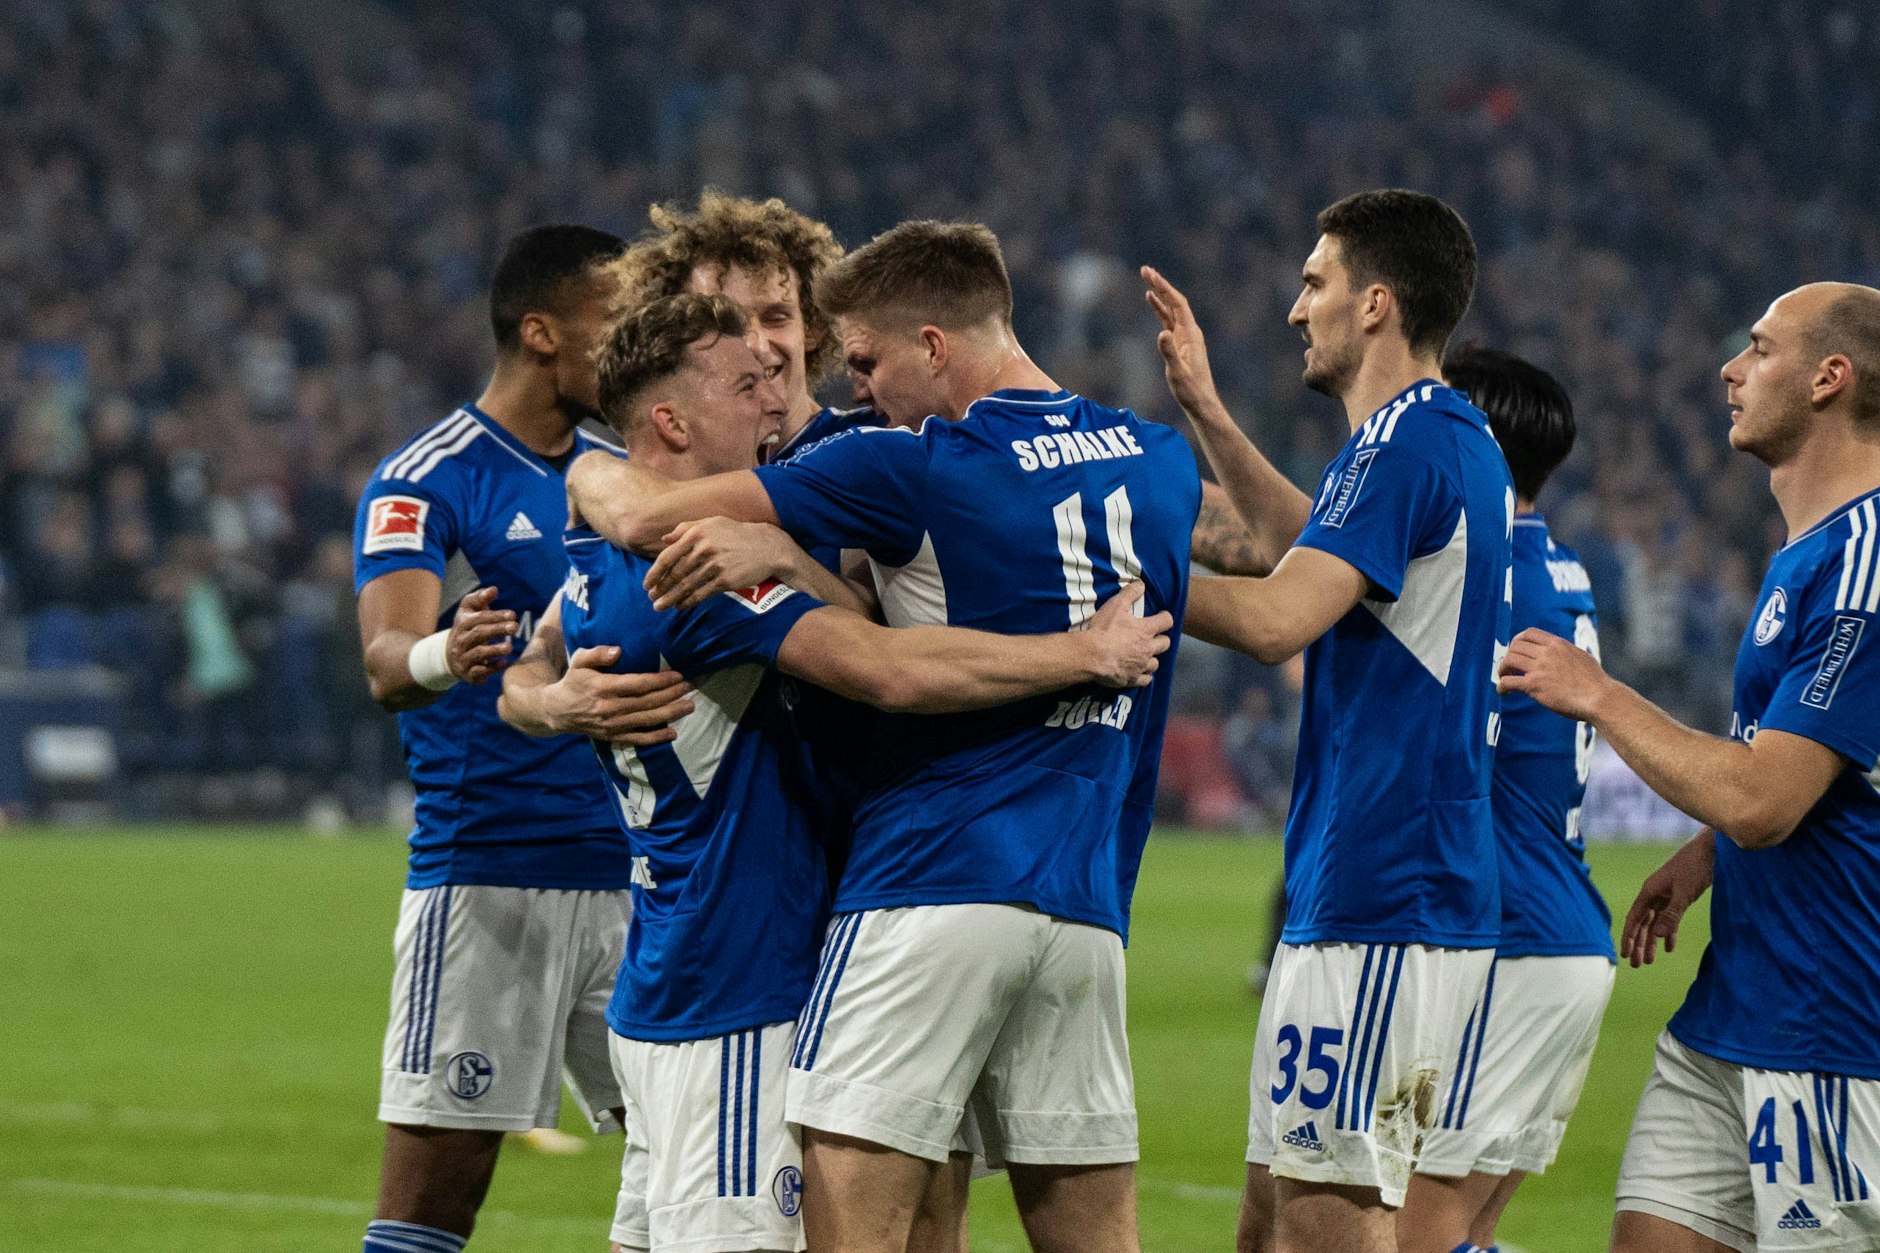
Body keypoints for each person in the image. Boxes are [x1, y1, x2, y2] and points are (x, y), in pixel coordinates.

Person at [565, 219, 1201, 1253]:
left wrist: (589, 471)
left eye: (838, 351)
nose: (802, 371)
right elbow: (1264, 575)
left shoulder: (898, 463)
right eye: (754, 345)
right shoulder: (1155, 459)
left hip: (916, 884)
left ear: (932, 344)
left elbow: (875, 658)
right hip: (1083, 899)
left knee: (864, 1225)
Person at [1145, 188, 1510, 1253]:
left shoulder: (1404, 447)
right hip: (1369, 891)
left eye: (1314, 283)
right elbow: (1298, 545)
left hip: (1383, 893)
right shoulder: (1430, 440)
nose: (1294, 308)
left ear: (1376, 306)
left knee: (1325, 1227)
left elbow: (1270, 616)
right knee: (1269, 1219)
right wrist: (1208, 414)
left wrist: (1100, 570)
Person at [1499, 282, 1880, 1253]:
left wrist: (1597, 691)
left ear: (1828, 377)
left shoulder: (1864, 565)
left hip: (1830, 1031)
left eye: (1758, 348)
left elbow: (1764, 797)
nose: (1729, 368)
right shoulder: (1809, 549)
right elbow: (1814, 769)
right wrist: (1706, 853)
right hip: (1729, 1012)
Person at [350, 224, 692, 1253]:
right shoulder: (428, 477)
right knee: (431, 1207)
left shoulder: (621, 474)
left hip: (641, 875)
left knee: (688, 1174)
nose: (634, 347)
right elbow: (383, 657)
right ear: (541, 333)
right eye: (614, 326)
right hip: (489, 876)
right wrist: (443, 655)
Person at [1398, 346, 1615, 1253]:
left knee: (1414, 1236)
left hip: (1514, 938)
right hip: (1560, 934)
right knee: (1463, 1238)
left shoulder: (1494, 579)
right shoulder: (1559, 566)